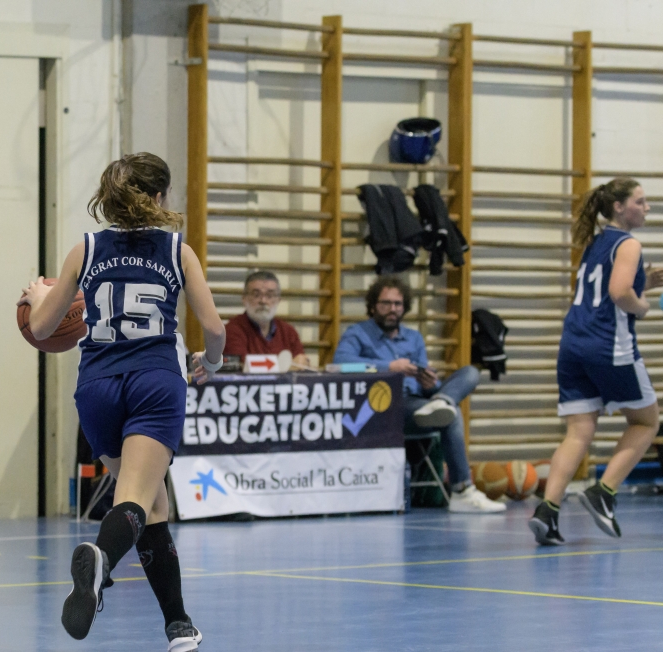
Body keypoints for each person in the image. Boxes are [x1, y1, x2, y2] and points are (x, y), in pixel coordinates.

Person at [20, 152, 226, 652]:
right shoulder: (177, 250)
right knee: (135, 497)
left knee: (154, 504)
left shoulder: (85, 249)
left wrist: (37, 295)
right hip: (154, 380)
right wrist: (211, 361)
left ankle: (178, 625)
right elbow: (214, 328)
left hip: (96, 385)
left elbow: (42, 329)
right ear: (159, 197)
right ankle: (102, 559)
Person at [529, 178, 663, 545]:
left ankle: (547, 512)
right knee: (646, 421)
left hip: (573, 345)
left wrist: (643, 284)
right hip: (608, 346)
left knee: (579, 432)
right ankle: (604, 491)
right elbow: (618, 293)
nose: (647, 207)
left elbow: (601, 290)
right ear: (619, 207)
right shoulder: (629, 243)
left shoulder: (597, 241)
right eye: (640, 201)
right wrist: (643, 305)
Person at [333, 276, 500, 513]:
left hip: (416, 403)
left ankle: (442, 400)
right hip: (380, 407)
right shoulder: (358, 333)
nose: (392, 309)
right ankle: (462, 489)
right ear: (373, 306)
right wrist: (389, 367)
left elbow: (425, 382)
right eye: (386, 303)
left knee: (469, 374)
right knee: (451, 414)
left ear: (405, 307)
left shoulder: (414, 338)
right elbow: (340, 364)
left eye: (398, 304)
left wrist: (430, 384)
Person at [223, 270, 310, 367]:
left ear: (278, 299)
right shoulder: (232, 330)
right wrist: (286, 367)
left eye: (270, 295)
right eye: (256, 295)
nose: (263, 301)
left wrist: (302, 363)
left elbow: (301, 364)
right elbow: (241, 367)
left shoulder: (288, 332)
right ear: (244, 298)